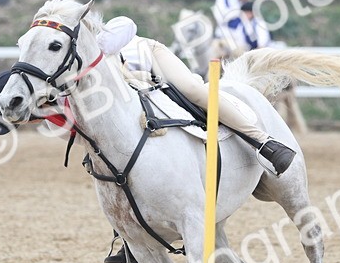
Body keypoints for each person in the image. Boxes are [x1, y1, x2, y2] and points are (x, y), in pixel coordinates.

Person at [95, 15, 297, 177]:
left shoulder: (98, 38)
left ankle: (263, 141)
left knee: (192, 90)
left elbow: (127, 24)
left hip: (152, 56)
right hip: (138, 80)